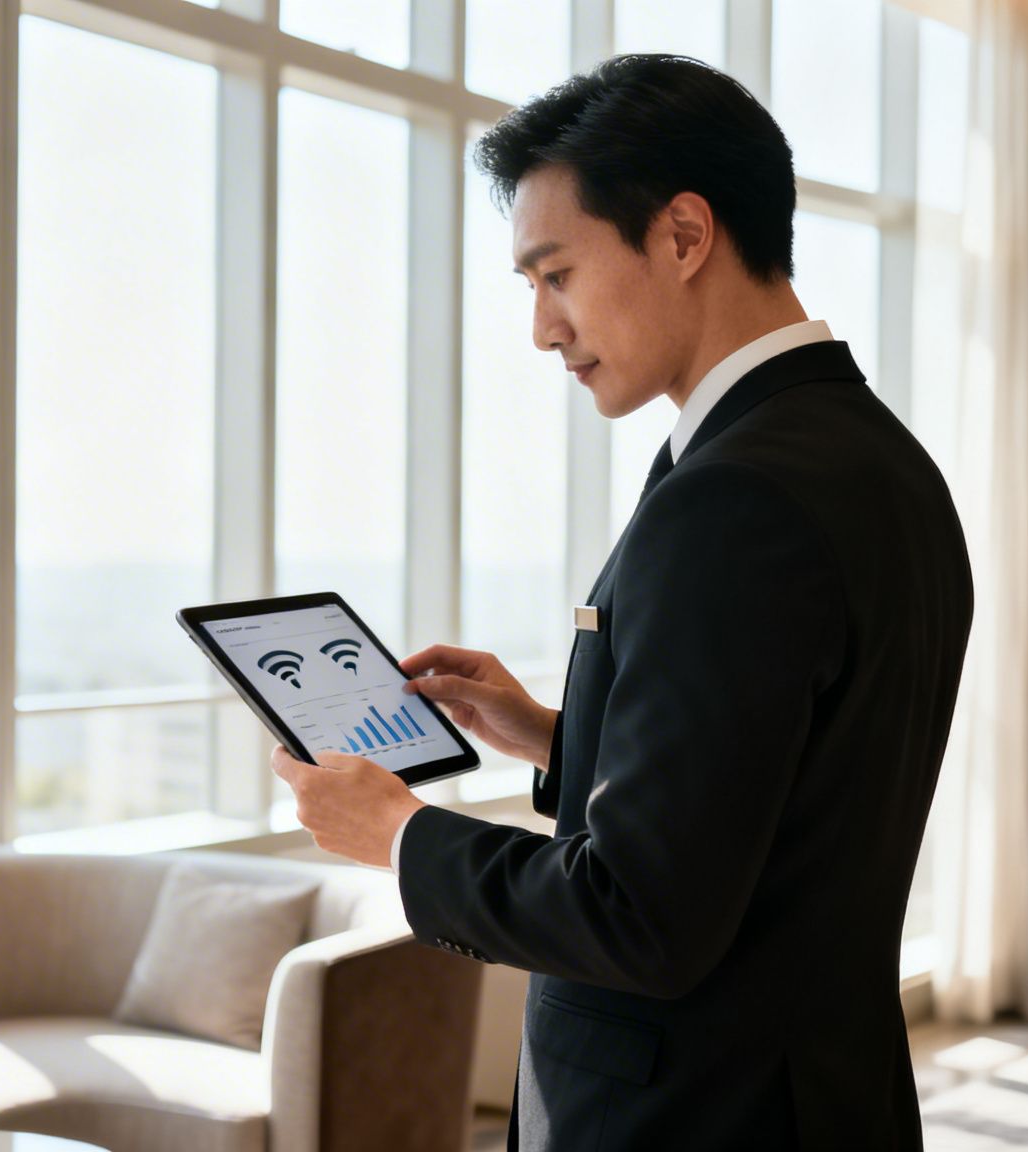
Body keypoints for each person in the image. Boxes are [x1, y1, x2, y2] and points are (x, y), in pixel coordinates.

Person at [269, 55, 973, 1149]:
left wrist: (400, 835)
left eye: (554, 274)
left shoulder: (734, 497)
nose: (542, 328)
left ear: (683, 235)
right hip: (821, 1094)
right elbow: (793, 785)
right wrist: (557, 737)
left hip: (690, 1118)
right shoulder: (881, 460)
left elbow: (637, 915)